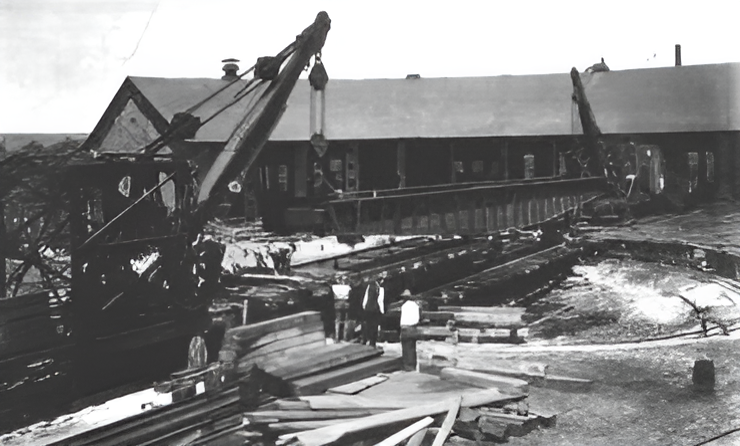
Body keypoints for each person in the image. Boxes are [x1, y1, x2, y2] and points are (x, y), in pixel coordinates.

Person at [361, 276, 385, 347]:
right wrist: (382, 311)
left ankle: (365, 339)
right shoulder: (380, 289)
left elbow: (365, 298)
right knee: (374, 326)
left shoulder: (369, 286)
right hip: (375, 309)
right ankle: (372, 341)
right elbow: (380, 300)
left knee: (368, 324)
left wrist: (364, 306)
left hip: (368, 308)